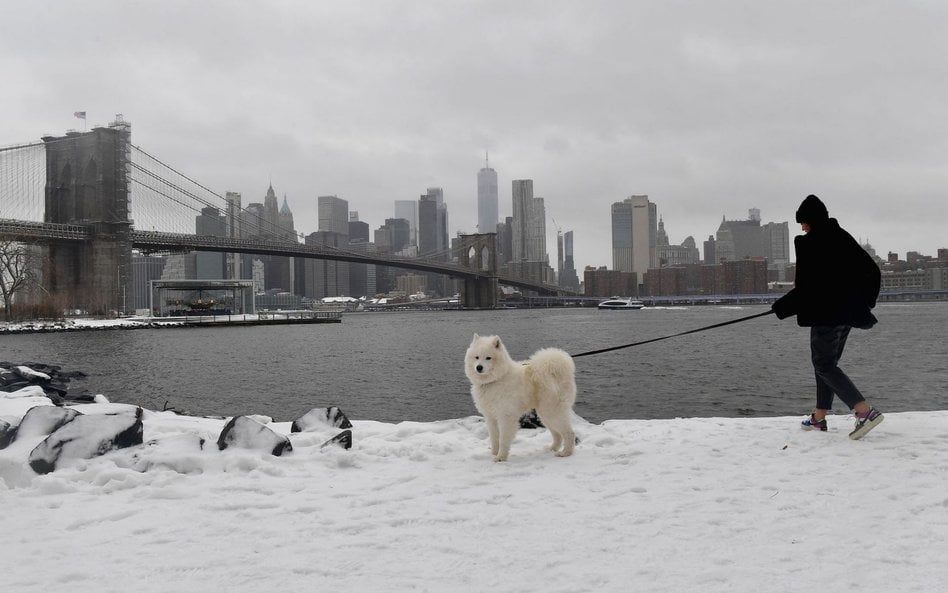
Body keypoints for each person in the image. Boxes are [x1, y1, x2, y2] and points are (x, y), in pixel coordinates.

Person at [772, 194, 884, 440]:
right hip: (847, 314)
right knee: (825, 364)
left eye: (803, 222)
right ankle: (819, 418)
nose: (802, 227)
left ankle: (864, 412)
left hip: (827, 314)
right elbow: (872, 271)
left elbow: (808, 289)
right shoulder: (841, 237)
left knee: (823, 364)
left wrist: (781, 307)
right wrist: (863, 302)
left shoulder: (813, 243)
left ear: (811, 221)